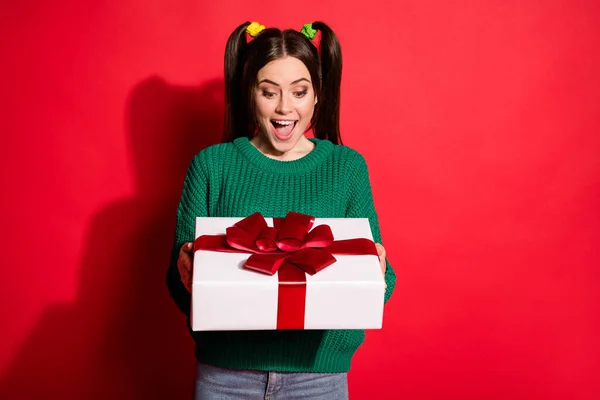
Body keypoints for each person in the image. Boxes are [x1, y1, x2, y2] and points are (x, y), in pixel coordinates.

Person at [167, 20, 396, 400]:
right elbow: (178, 287)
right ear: (250, 95)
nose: (284, 108)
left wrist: (378, 274)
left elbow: (380, 287)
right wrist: (185, 272)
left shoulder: (347, 167)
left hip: (319, 380)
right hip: (226, 377)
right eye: (269, 92)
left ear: (318, 95)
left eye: (299, 92)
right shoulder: (211, 166)